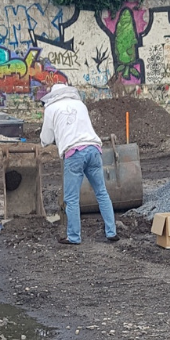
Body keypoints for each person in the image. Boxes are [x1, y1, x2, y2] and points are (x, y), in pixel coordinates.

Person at [40, 83, 118, 245]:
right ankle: (111, 232)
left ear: (53, 96)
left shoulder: (51, 109)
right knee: (102, 193)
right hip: (94, 149)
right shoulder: (80, 104)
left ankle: (74, 237)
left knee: (71, 198)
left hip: (74, 153)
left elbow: (46, 139)